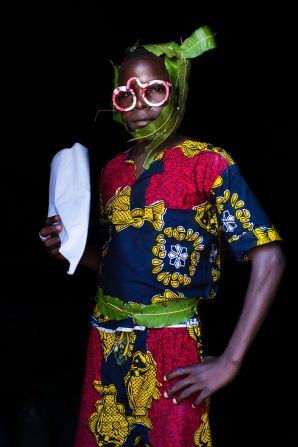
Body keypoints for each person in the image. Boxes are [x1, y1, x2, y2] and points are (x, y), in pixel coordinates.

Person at [39, 26, 286, 447]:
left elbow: (270, 256)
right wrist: (72, 253)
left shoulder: (207, 163)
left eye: (153, 91)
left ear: (175, 92)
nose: (140, 108)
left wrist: (231, 361)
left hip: (171, 348)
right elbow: (121, 259)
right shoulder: (111, 171)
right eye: (126, 95)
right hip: (105, 340)